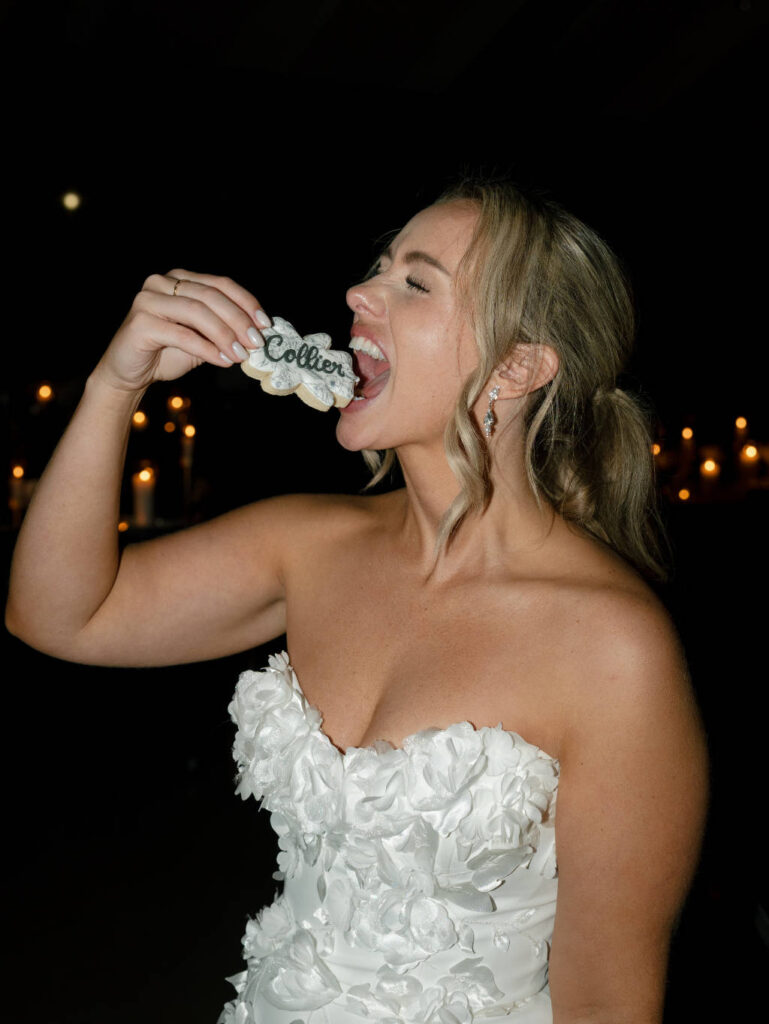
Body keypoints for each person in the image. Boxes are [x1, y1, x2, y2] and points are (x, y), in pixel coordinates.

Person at [6, 178, 708, 1023]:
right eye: (379, 267)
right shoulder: (308, 545)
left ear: (517, 366)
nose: (356, 294)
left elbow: (607, 1004)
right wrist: (113, 387)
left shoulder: (612, 648)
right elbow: (57, 615)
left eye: (414, 282)